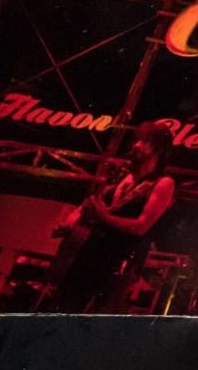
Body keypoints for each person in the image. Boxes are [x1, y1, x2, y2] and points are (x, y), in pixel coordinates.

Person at [43, 119, 178, 313]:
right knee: (61, 304)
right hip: (86, 254)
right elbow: (91, 204)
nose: (136, 145)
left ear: (159, 149)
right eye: (137, 140)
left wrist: (103, 216)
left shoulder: (163, 183)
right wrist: (70, 223)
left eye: (145, 141)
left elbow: (140, 226)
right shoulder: (123, 175)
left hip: (116, 264)